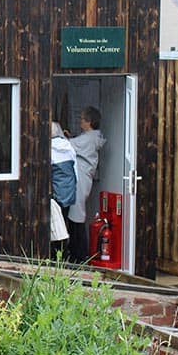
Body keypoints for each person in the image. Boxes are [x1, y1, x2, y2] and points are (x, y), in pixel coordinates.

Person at [66, 106, 106, 262]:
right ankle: (77, 253)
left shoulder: (89, 138)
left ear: (89, 122)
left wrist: (61, 136)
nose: (80, 122)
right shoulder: (91, 137)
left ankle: (80, 255)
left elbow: (69, 145)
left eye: (82, 119)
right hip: (84, 178)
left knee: (77, 216)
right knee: (77, 214)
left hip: (81, 179)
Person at [50, 122, 76, 252]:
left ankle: (56, 253)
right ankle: (64, 252)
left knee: (54, 224)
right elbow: (75, 170)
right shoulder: (68, 146)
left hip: (56, 193)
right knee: (64, 222)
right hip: (69, 191)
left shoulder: (49, 148)